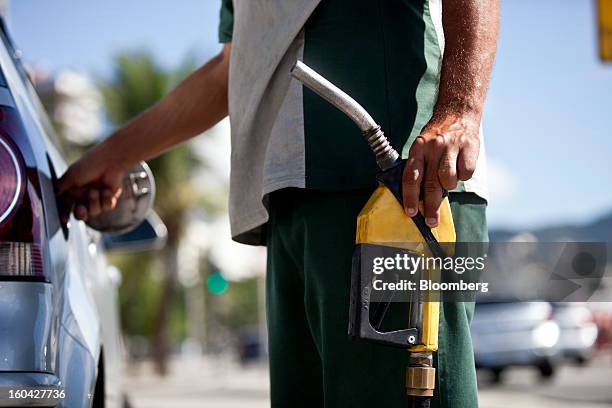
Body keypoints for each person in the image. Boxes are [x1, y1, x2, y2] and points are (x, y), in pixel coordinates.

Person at [58, 0, 499, 406]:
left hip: (399, 192)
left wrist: (461, 110)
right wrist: (108, 158)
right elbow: (231, 70)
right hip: (285, 205)